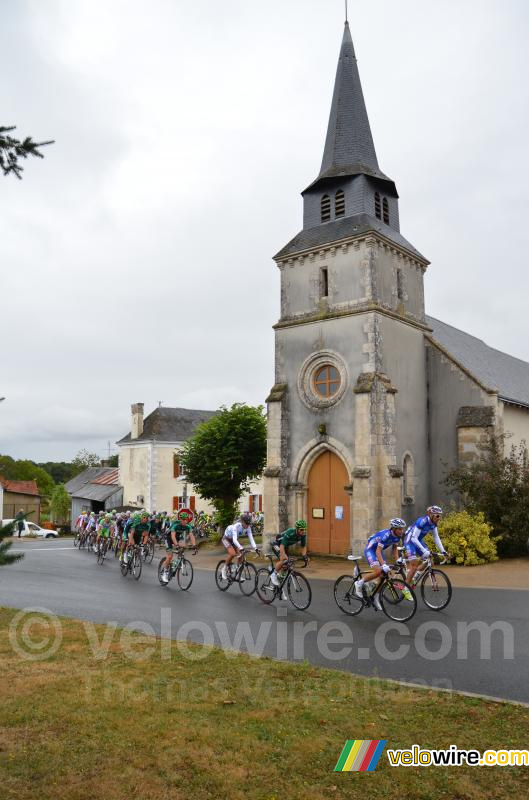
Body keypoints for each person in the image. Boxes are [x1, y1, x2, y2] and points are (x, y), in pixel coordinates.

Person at [353, 518, 408, 610]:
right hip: (371, 550)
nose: (401, 531)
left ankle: (375, 597)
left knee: (384, 576)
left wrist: (398, 559)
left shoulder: (398, 536)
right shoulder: (385, 536)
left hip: (378, 551)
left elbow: (394, 549)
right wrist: (383, 565)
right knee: (378, 571)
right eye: (399, 529)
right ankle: (359, 583)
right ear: (394, 529)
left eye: (402, 529)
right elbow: (378, 551)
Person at [404, 505, 448, 584]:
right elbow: (414, 538)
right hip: (410, 540)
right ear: (431, 515)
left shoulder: (434, 523)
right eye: (437, 516)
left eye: (440, 516)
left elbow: (436, 538)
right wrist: (424, 550)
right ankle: (405, 588)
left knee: (430, 560)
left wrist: (443, 551)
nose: (439, 518)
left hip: (418, 540)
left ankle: (415, 575)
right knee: (414, 565)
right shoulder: (422, 521)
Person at [269, 520, 309, 592]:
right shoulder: (290, 532)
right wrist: (283, 556)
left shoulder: (303, 535)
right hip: (277, 544)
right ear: (297, 529)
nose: (303, 531)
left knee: (286, 565)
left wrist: (304, 556)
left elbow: (303, 546)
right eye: (301, 529)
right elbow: (282, 546)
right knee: (284, 560)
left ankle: (279, 588)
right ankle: (273, 574)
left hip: (285, 546)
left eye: (305, 529)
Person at [159, 514, 197, 584]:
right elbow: (173, 536)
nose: (185, 521)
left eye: (186, 520)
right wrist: (176, 545)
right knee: (170, 556)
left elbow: (192, 536)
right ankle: (165, 572)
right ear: (180, 520)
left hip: (178, 538)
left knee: (184, 546)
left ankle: (177, 562)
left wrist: (194, 545)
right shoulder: (175, 524)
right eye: (184, 520)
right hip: (168, 538)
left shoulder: (187, 526)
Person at [221, 513, 260, 580]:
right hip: (226, 539)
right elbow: (234, 539)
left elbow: (251, 538)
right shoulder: (236, 526)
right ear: (242, 522)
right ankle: (224, 569)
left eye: (249, 524)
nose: (248, 526)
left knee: (241, 555)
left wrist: (255, 548)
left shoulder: (248, 527)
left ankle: (237, 575)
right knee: (232, 554)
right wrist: (240, 547)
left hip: (233, 540)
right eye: (246, 524)